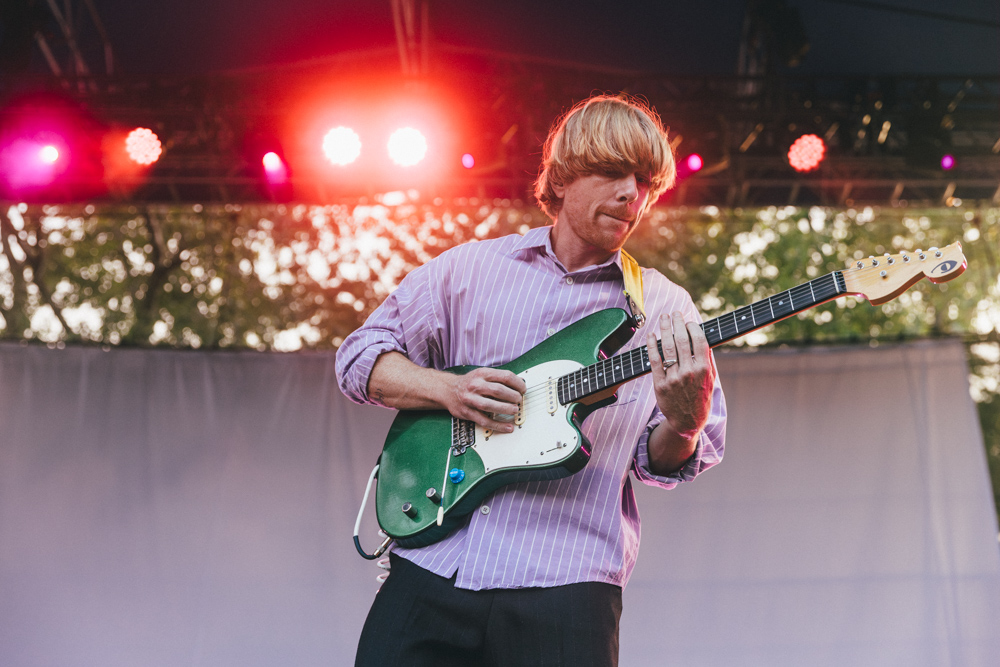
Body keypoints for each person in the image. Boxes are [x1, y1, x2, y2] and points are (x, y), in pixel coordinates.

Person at [335, 93, 727, 666]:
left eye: (645, 183)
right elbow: (359, 358)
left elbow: (661, 462)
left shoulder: (667, 310)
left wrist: (686, 424)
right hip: (433, 565)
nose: (632, 195)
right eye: (615, 172)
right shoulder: (469, 269)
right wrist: (448, 389)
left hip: (567, 593)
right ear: (564, 177)